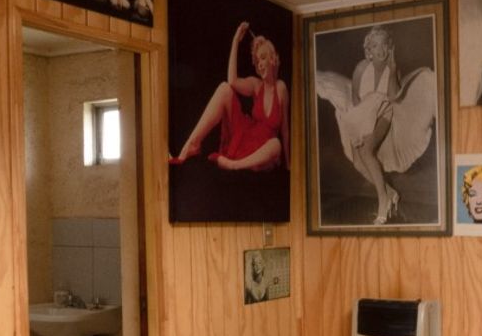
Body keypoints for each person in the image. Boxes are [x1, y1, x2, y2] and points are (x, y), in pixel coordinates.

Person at [316, 25, 436, 225]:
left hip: (385, 113)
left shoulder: (393, 69)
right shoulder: (361, 68)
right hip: (363, 114)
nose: (379, 50)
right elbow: (355, 99)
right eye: (375, 46)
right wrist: (361, 126)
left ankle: (382, 202)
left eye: (383, 45)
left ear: (389, 47)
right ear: (368, 50)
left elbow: (394, 97)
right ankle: (390, 193)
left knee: (367, 152)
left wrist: (393, 70)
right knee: (358, 162)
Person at [170, 21, 290, 173]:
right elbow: (232, 80)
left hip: (264, 150)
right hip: (246, 136)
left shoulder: (281, 87)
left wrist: (289, 164)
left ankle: (233, 164)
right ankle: (192, 144)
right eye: (257, 60)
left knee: (276, 144)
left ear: (273, 59)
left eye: (263, 58)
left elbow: (285, 129)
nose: (259, 64)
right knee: (224, 88)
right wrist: (235, 40)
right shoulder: (256, 85)